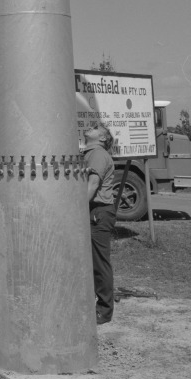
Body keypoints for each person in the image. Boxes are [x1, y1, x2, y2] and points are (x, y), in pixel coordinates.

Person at [84, 125, 118, 326]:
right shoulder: (90, 153)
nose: (90, 127)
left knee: (99, 262)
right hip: (93, 210)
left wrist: (76, 210)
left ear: (103, 138)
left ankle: (104, 311)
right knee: (90, 261)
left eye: (96, 128)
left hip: (98, 211)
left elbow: (92, 185)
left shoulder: (97, 154)